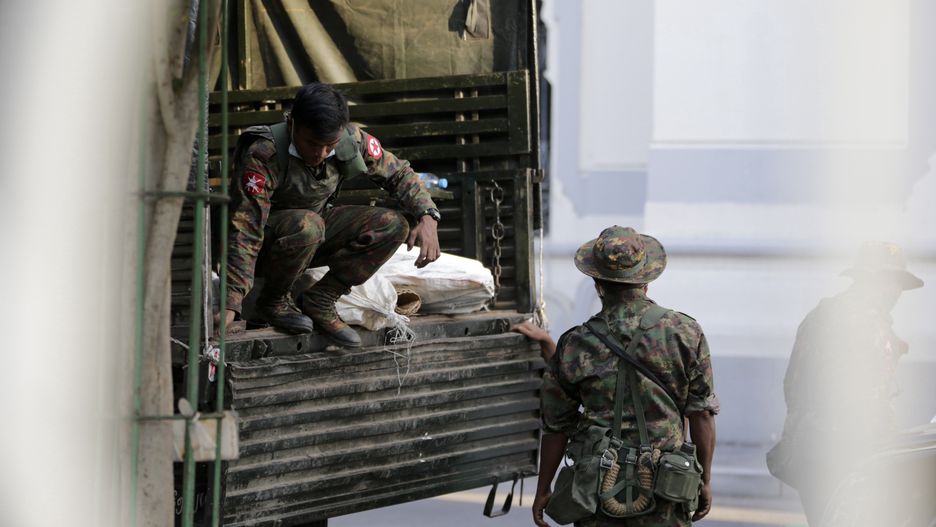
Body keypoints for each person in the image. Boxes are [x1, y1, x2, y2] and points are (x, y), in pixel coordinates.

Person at [524, 226, 719, 527]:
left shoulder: (576, 343)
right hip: (667, 489)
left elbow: (556, 426)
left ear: (596, 282)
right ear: (647, 279)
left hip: (597, 492)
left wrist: (543, 489)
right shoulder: (684, 332)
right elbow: (701, 414)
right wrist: (705, 479)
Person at [221, 83, 442, 346]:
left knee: (394, 225)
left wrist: (427, 215)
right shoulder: (264, 154)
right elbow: (245, 229)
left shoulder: (352, 140)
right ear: (292, 125)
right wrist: (231, 301)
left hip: (313, 236)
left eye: (330, 145)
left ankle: (322, 298)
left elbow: (399, 173)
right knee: (308, 225)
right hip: (268, 247)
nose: (321, 153)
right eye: (313, 144)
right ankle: (274, 302)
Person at [767, 241, 924, 526]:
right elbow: (870, 404)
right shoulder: (871, 324)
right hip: (851, 456)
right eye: (893, 282)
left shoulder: (821, 314)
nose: (897, 293)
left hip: (808, 449)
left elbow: (792, 384)